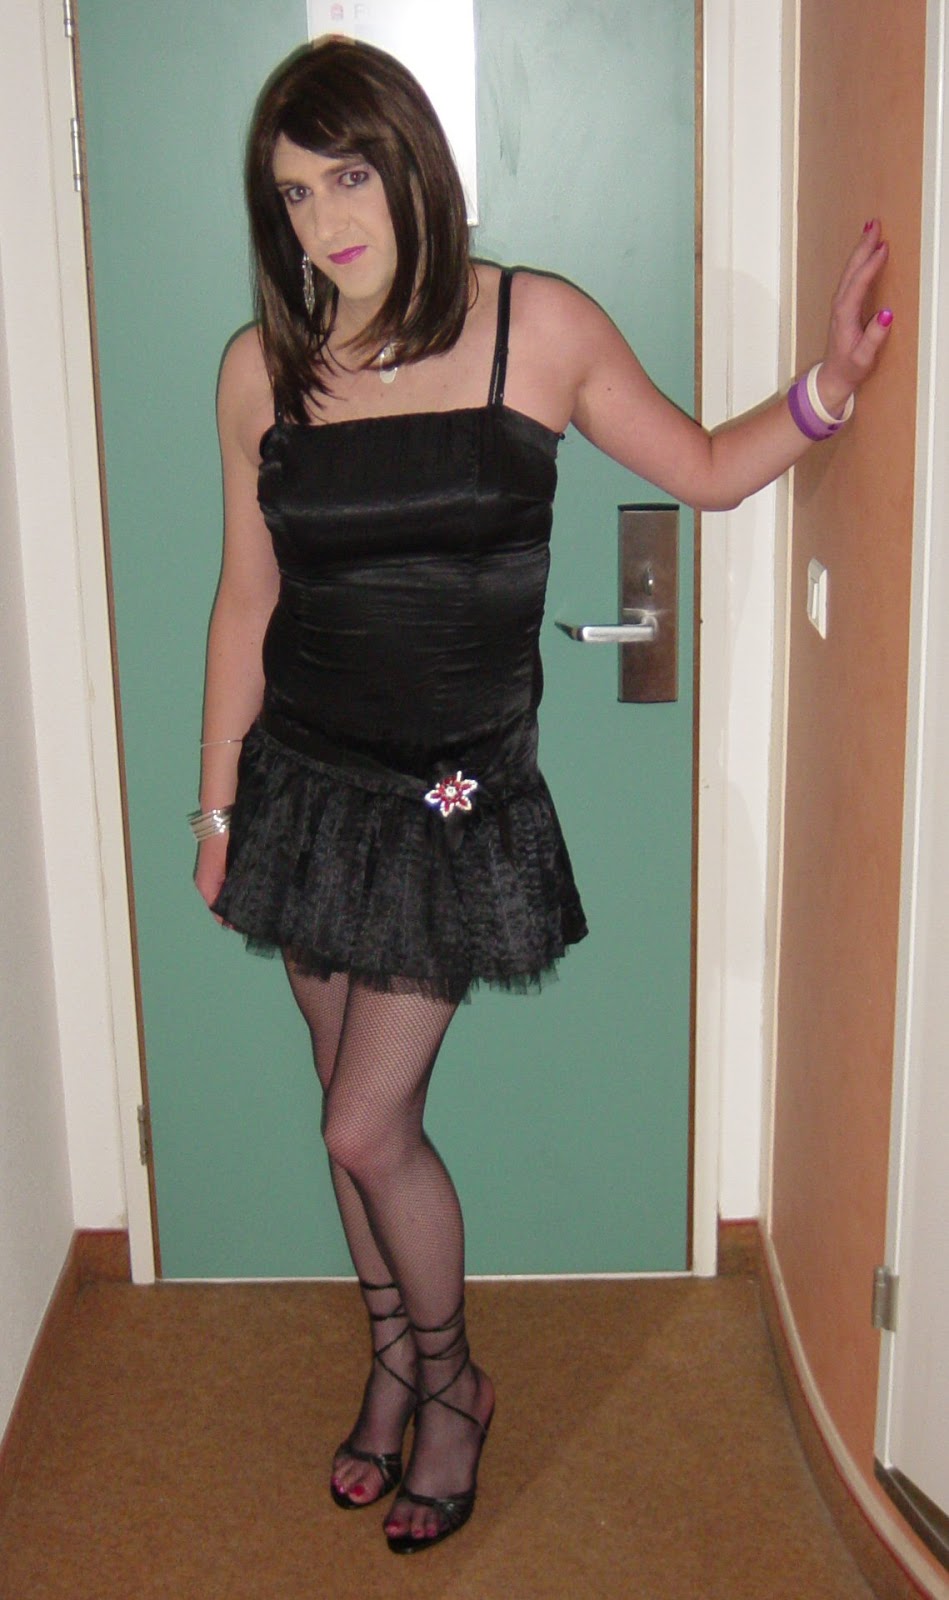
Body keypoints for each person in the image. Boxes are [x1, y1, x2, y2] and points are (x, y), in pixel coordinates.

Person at [192, 36, 891, 1555]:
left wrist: (826, 391)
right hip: (304, 784)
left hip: (451, 799)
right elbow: (246, 601)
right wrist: (217, 808)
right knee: (336, 1107)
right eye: (294, 196)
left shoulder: (537, 326)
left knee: (365, 1129)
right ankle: (392, 1362)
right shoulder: (265, 370)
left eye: (349, 177)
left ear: (412, 164)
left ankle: (453, 1389)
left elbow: (704, 468)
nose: (326, 222)